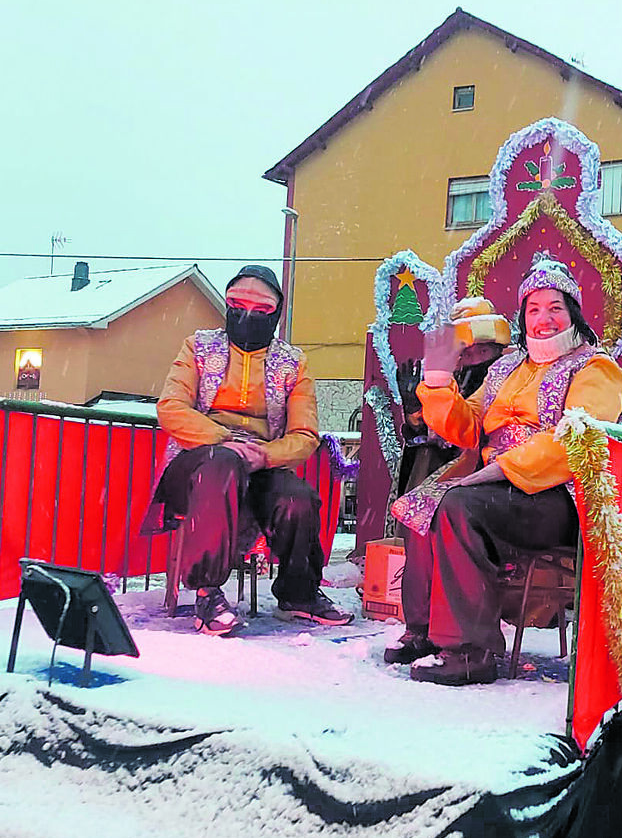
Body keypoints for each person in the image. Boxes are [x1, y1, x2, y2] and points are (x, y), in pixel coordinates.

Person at [405, 253, 622, 686]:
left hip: (556, 496)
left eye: (555, 309)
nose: (543, 320)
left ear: (574, 314)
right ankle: (424, 632)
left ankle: (471, 650)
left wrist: (503, 469)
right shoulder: (507, 367)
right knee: (420, 505)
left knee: (459, 507)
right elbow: (467, 428)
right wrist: (437, 382)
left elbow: (577, 438)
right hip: (494, 488)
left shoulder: (595, 368)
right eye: (533, 310)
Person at [146, 264, 351, 635]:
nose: (246, 317)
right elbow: (171, 408)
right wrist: (225, 441)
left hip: (260, 465)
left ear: (275, 314)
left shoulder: (293, 362)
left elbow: (305, 435)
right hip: (198, 461)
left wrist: (265, 455)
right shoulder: (198, 346)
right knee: (221, 464)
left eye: (260, 311)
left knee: (297, 498)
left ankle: (299, 593)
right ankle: (207, 593)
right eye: (238, 306)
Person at [382, 298, 510, 666]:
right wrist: (415, 411)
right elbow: (433, 433)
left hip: (497, 467)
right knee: (420, 514)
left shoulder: (507, 371)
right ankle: (419, 627)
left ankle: (461, 640)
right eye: (468, 349)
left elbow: (477, 427)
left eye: (483, 348)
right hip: (450, 464)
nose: (475, 355)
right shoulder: (453, 372)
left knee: (443, 510)